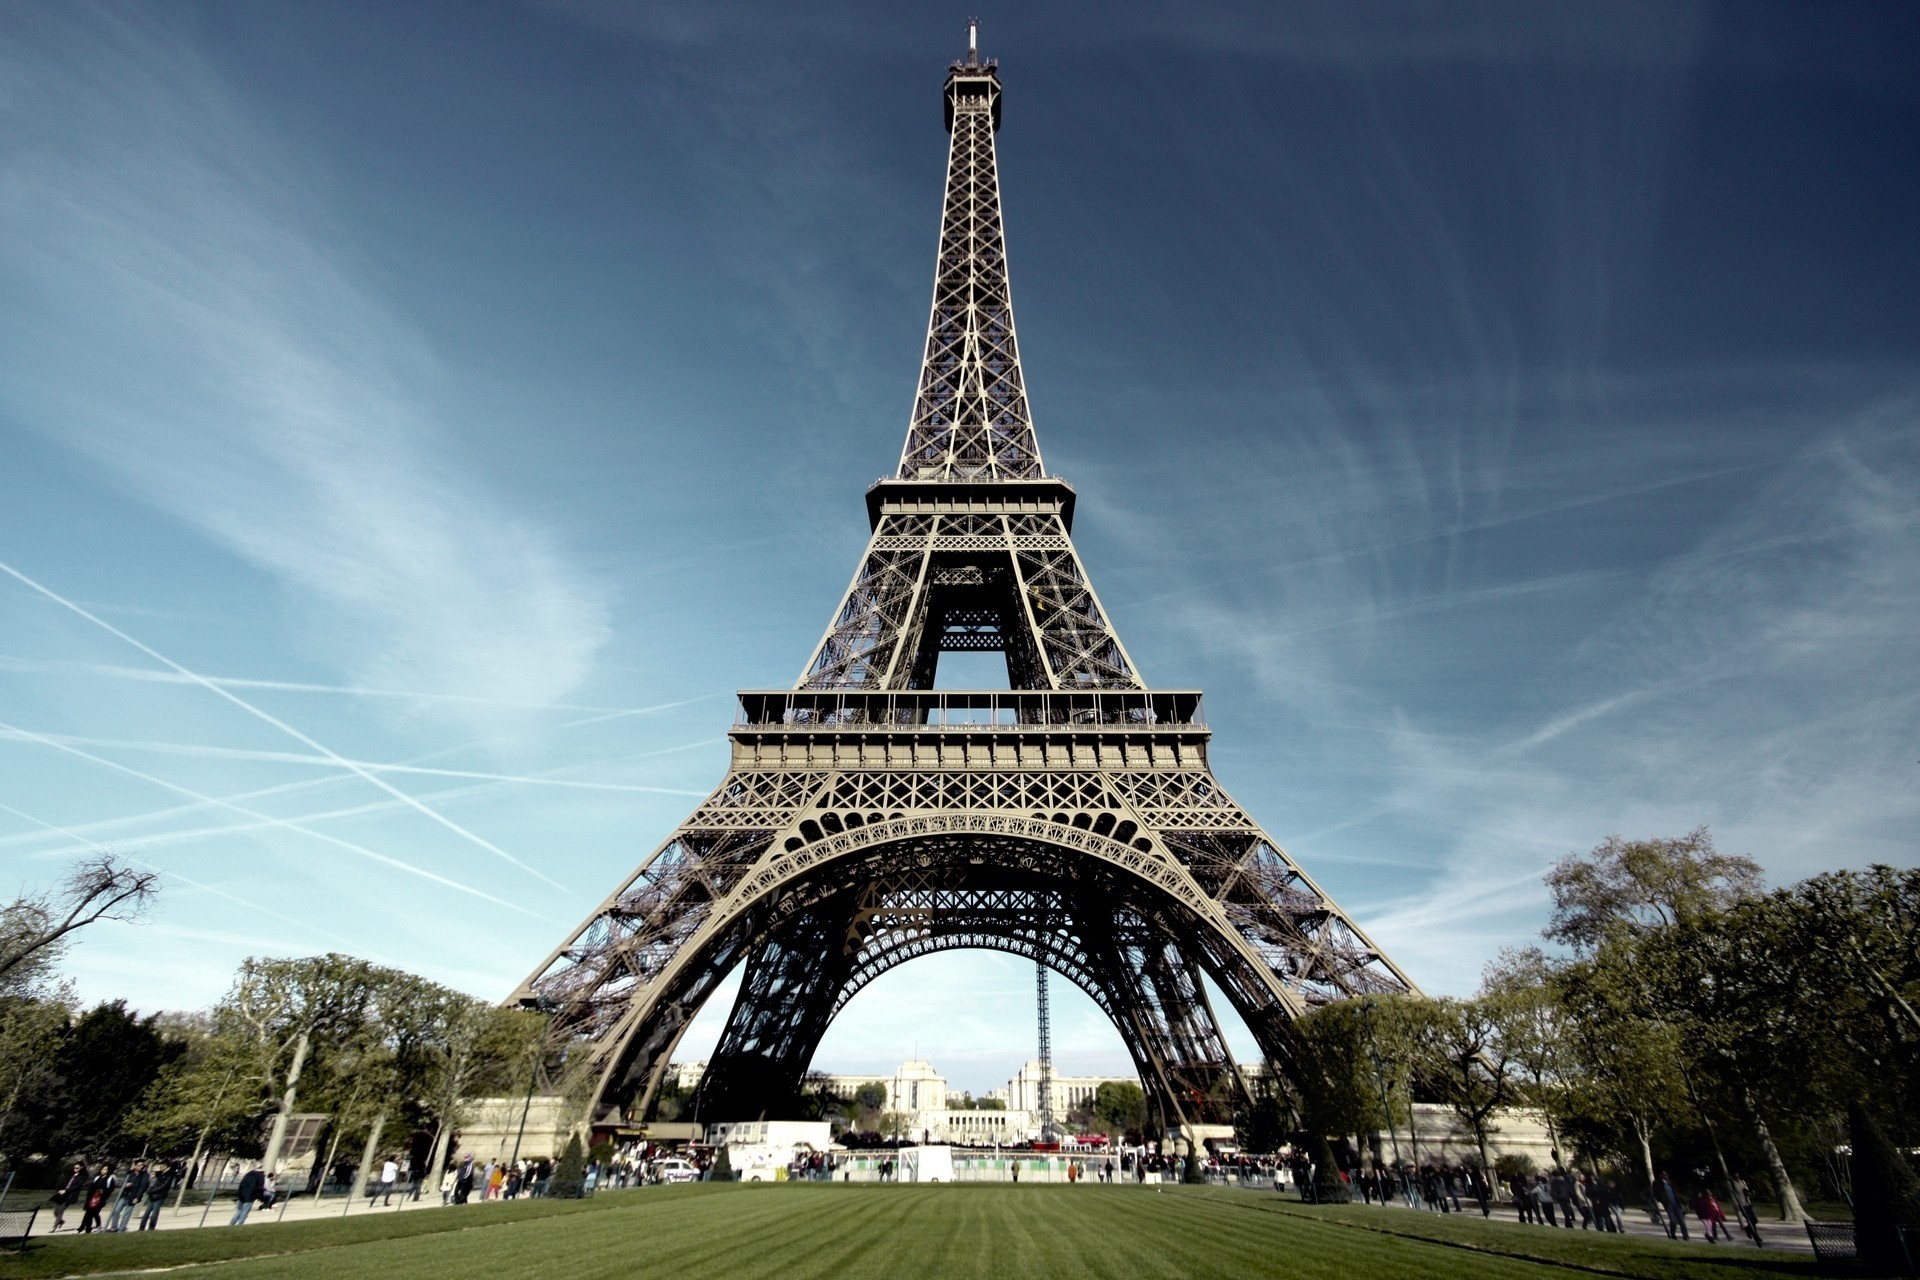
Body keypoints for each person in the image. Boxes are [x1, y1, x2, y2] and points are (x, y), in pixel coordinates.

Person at [107, 1160, 149, 1232]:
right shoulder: (130, 1173)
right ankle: (114, 1227)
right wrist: (125, 1185)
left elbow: (142, 1187)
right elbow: (123, 1182)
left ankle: (122, 1229)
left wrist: (137, 1197)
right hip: (125, 1195)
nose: (141, 1167)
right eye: (139, 1165)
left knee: (127, 1214)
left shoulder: (144, 1175)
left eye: (142, 1165)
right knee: (116, 1211)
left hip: (133, 1196)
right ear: (135, 1166)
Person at [140, 1161, 179, 1231]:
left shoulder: (169, 1175)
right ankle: (141, 1227)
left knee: (154, 1213)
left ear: (166, 1166)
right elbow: (153, 1182)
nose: (160, 1167)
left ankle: (151, 1228)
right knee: (147, 1212)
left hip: (159, 1196)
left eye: (162, 1166)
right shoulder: (159, 1173)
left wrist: (152, 1191)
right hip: (152, 1195)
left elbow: (164, 1186)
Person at [78, 1164, 116, 1234]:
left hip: (100, 1200)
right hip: (92, 1199)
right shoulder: (97, 1178)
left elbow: (111, 1189)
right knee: (88, 1213)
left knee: (94, 1213)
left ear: (108, 1171)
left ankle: (97, 1226)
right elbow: (91, 1188)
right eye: (102, 1169)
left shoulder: (110, 1179)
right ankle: (86, 1229)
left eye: (105, 1169)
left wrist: (103, 1191)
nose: (103, 1171)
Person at [50, 1162, 87, 1231]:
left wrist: (66, 1190)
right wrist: (59, 1189)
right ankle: (61, 1222)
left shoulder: (82, 1177)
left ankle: (54, 1227)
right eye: (74, 1168)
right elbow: (63, 1182)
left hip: (70, 1195)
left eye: (77, 1168)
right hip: (62, 1194)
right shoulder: (70, 1174)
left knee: (61, 1210)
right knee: (56, 1212)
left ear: (81, 1168)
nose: (75, 1169)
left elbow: (76, 1186)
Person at [1655, 1172, 1689, 1240]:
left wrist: (1684, 1202)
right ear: (1661, 1176)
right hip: (1668, 1204)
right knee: (1673, 1220)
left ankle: (1686, 1236)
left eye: (1666, 1175)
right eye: (1664, 1175)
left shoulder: (1671, 1183)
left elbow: (1677, 1193)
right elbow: (1656, 1193)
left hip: (1676, 1203)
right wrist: (1660, 1200)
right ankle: (1672, 1234)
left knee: (1681, 1220)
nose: (1666, 1176)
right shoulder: (1657, 1183)